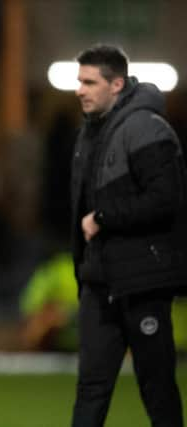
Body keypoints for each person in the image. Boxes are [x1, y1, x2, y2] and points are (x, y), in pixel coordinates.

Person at [70, 44, 186, 427]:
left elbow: (165, 199)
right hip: (99, 282)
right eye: (79, 80)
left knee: (156, 386)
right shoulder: (92, 130)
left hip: (142, 283)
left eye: (89, 82)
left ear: (116, 84)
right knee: (91, 387)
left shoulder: (147, 128)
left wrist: (103, 217)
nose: (80, 90)